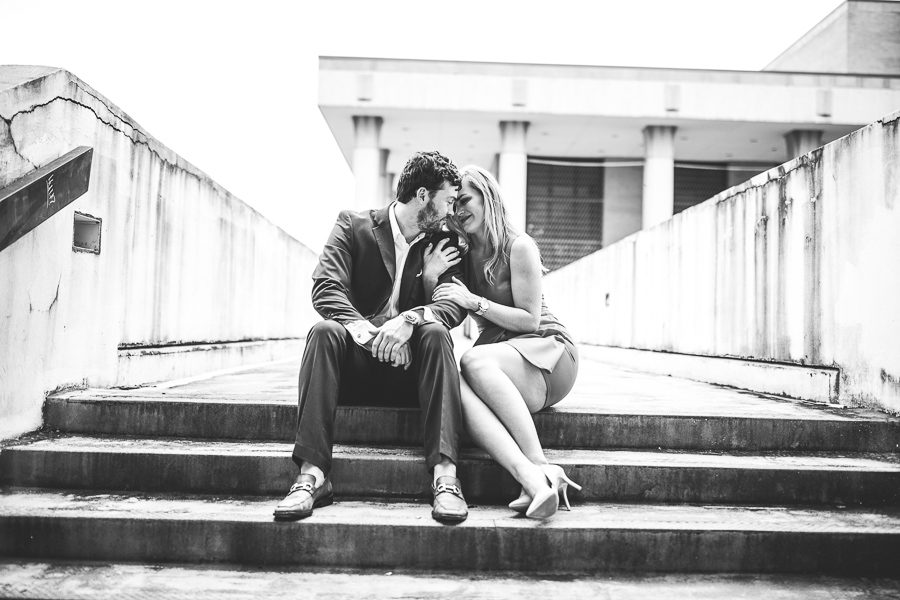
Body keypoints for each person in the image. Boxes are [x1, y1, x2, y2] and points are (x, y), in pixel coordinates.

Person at [274, 151, 470, 523]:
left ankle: (446, 478)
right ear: (423, 196)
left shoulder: (443, 242)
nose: (451, 211)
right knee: (324, 331)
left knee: (435, 333)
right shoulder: (353, 225)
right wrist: (372, 336)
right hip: (356, 370)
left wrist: (410, 319)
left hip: (411, 373)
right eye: (448, 200)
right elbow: (326, 288)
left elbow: (453, 305)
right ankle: (311, 477)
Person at [424, 164, 580, 520]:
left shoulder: (518, 246)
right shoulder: (463, 256)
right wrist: (431, 276)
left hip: (546, 351)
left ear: (487, 197)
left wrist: (475, 302)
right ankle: (529, 479)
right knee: (452, 383)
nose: (458, 210)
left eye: (465, 200)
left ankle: (539, 463)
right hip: (502, 354)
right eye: (454, 204)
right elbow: (445, 304)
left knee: (471, 360)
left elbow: (530, 319)